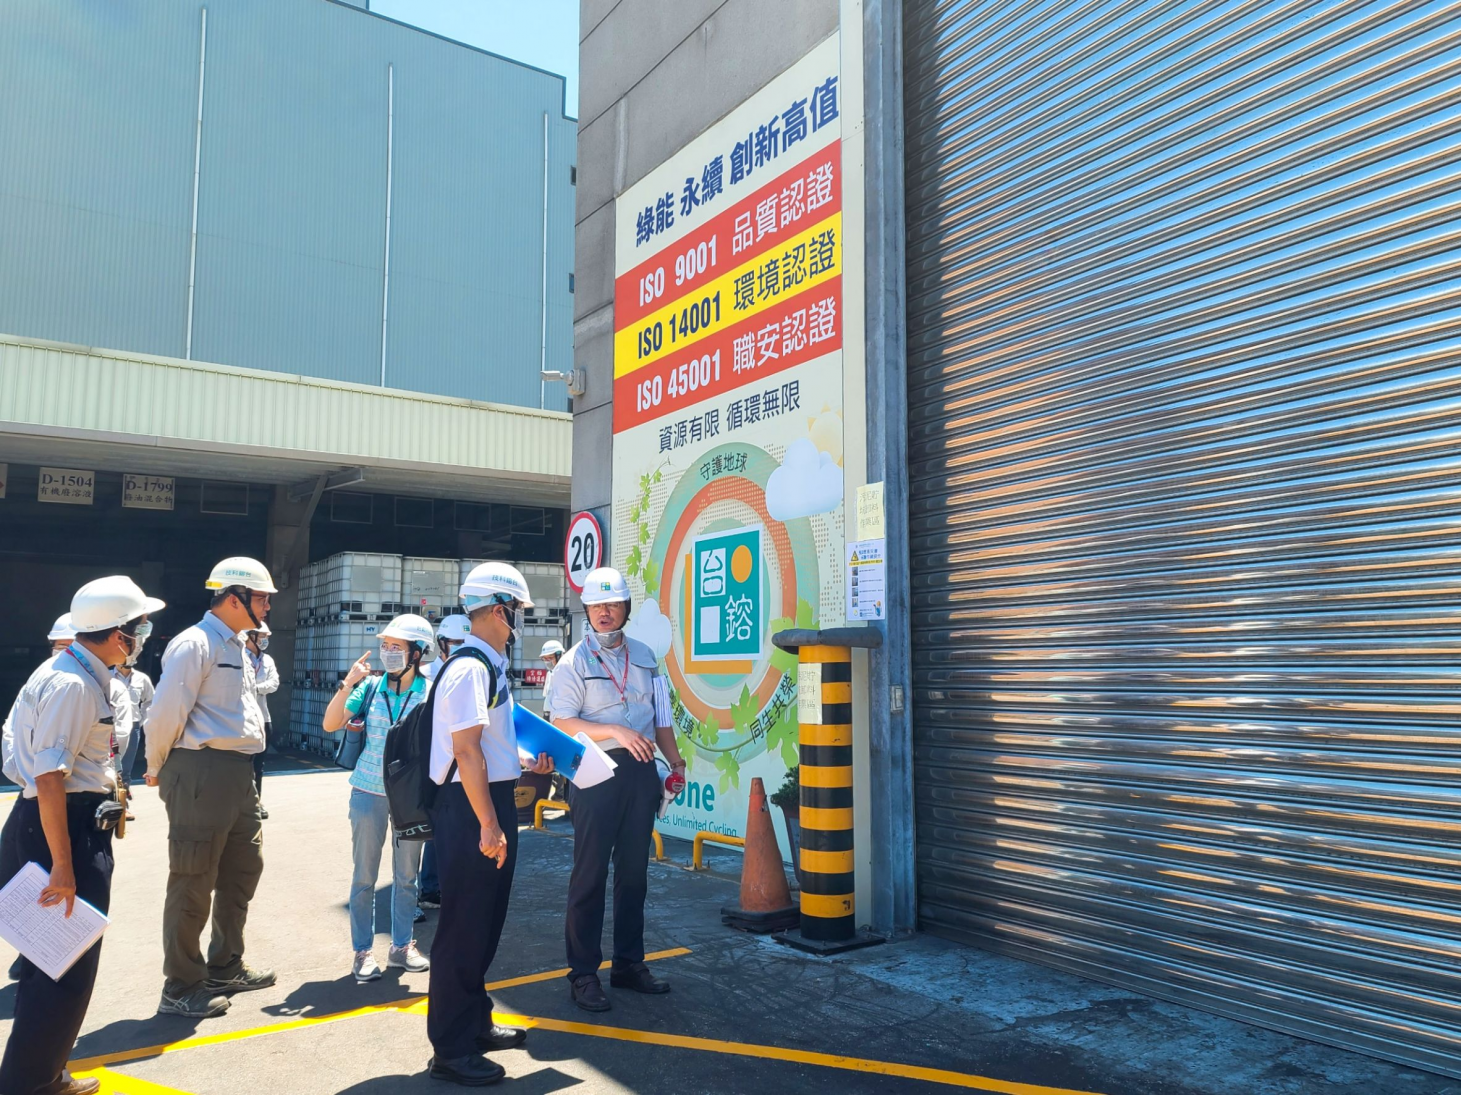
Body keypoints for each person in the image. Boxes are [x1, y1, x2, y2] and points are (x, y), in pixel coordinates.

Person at [0, 576, 163, 1095]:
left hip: (58, 820)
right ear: (117, 634)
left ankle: (38, 1075)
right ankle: (33, 1083)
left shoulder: (78, 672)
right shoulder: (73, 684)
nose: (143, 636)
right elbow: (49, 777)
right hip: (62, 825)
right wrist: (63, 865)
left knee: (52, 962)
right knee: (65, 967)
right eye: (140, 627)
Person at [425, 562, 552, 1086]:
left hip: (484, 799)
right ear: (500, 610)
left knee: (483, 922)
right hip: (468, 807)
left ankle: (475, 1024)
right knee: (463, 927)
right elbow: (466, 752)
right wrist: (488, 824)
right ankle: (451, 1050)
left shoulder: (488, 665)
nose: (521, 618)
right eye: (518, 609)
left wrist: (525, 760)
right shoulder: (470, 669)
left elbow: (490, 745)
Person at [144, 556, 276, 1019]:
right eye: (261, 598)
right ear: (235, 598)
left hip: (238, 771)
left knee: (243, 868)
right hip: (200, 768)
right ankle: (181, 984)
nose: (267, 606)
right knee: (193, 877)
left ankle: (225, 966)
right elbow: (165, 713)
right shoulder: (195, 643)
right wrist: (157, 767)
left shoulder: (236, 644)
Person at [549, 566, 684, 1012]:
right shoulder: (572, 662)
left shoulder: (646, 656)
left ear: (625, 608)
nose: (604, 612)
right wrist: (614, 731)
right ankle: (582, 973)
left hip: (640, 773)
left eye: (612, 604)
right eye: (596, 605)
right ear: (586, 610)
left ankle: (628, 964)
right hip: (593, 773)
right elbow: (562, 721)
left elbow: (661, 718)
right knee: (589, 874)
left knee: (634, 875)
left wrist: (676, 762)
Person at [322, 613, 436, 982]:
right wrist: (348, 683)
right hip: (368, 790)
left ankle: (401, 946)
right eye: (385, 645)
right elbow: (331, 723)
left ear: (416, 653)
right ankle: (362, 951)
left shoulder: (430, 692)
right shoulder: (369, 688)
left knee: (407, 877)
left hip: (411, 798)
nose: (387, 652)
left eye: (396, 646)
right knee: (364, 876)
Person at [418, 614, 473, 909]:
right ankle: (429, 888)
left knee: (460, 828)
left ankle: (450, 887)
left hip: (464, 763)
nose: (460, 647)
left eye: (466, 642)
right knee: (432, 829)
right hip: (434, 762)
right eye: (455, 642)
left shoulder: (475, 672)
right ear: (441, 643)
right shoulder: (426, 675)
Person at [113, 616, 156, 820]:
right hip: (111, 727)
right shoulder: (107, 676)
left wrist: (146, 722)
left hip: (133, 727)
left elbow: (150, 702)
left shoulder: (142, 679)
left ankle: (123, 806)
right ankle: (107, 802)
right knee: (110, 766)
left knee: (126, 768)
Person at [244, 622, 279, 819]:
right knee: (241, 764)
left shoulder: (268, 660)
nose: (265, 640)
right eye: (262, 636)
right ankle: (240, 802)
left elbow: (274, 683)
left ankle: (256, 801)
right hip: (242, 718)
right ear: (251, 636)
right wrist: (256, 687)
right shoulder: (238, 657)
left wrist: (256, 688)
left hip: (263, 718)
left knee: (258, 765)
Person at [422, 614, 471, 683]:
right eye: (458, 642)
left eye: (467, 643)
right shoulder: (425, 675)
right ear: (441, 642)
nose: (464, 647)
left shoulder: (473, 674)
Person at [539, 640, 565, 720]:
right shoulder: (550, 673)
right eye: (544, 659)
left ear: (559, 656)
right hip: (548, 716)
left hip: (560, 717)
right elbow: (547, 697)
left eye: (550, 658)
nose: (547, 662)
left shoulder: (566, 675)